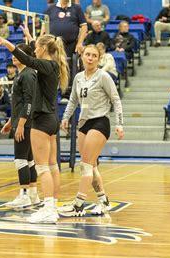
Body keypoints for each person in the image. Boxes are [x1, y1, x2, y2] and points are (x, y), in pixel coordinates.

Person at [0, 33, 69, 224]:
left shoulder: (47, 65)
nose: (34, 50)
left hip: (41, 120)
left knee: (42, 168)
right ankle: (52, 206)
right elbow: (36, 52)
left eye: (36, 47)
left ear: (43, 49)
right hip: (51, 119)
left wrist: (7, 43)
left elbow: (27, 58)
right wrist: (30, 36)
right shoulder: (54, 65)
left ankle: (49, 209)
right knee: (52, 166)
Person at [59, 44, 124, 217]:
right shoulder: (79, 77)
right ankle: (103, 201)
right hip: (83, 124)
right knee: (92, 166)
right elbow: (72, 100)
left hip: (100, 123)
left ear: (98, 59)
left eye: (94, 56)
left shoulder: (103, 76)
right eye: (87, 54)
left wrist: (119, 123)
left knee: (85, 165)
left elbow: (116, 100)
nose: (90, 58)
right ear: (82, 56)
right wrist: (65, 117)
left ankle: (79, 204)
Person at [1, 43, 40, 209]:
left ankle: (24, 195)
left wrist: (21, 124)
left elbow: (29, 102)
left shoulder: (28, 74)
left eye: (19, 53)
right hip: (21, 121)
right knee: (29, 160)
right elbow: (19, 102)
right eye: (14, 53)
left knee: (20, 160)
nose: (14, 55)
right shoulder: (21, 74)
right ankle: (33, 195)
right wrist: (11, 121)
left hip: (27, 123)